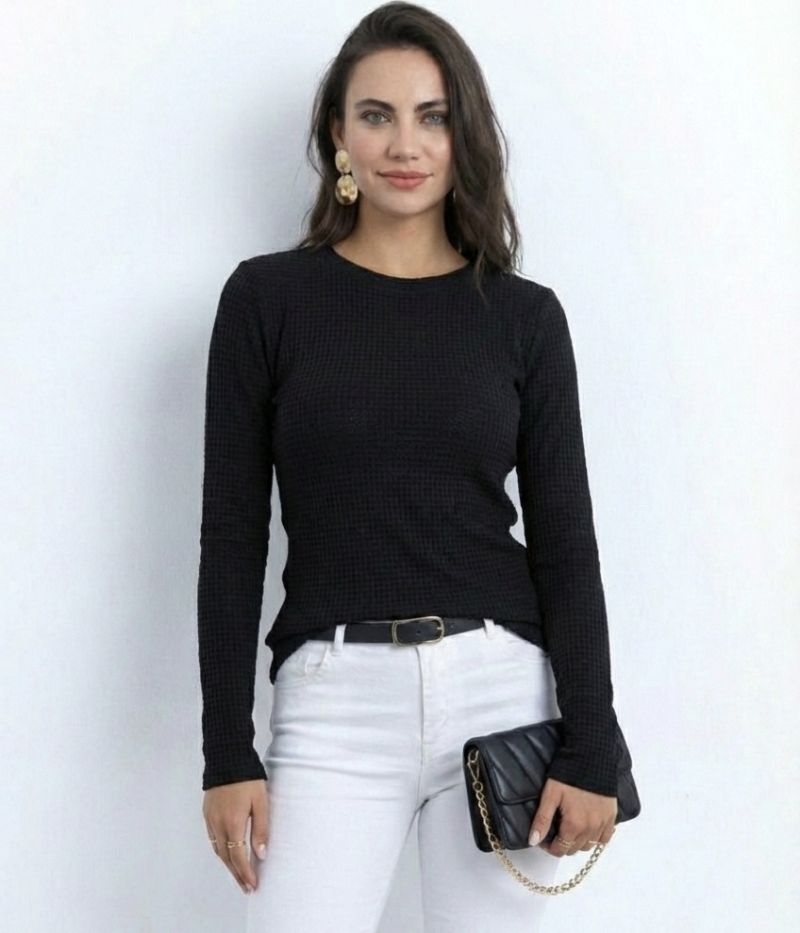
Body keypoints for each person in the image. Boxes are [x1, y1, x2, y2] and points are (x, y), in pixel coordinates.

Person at [198, 3, 620, 929]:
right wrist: (226, 749)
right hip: (334, 702)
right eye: (376, 115)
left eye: (433, 116)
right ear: (337, 134)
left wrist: (594, 741)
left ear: (465, 134)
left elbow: (566, 544)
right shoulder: (267, 301)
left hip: (501, 694)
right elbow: (231, 538)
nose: (405, 144)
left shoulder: (524, 318)